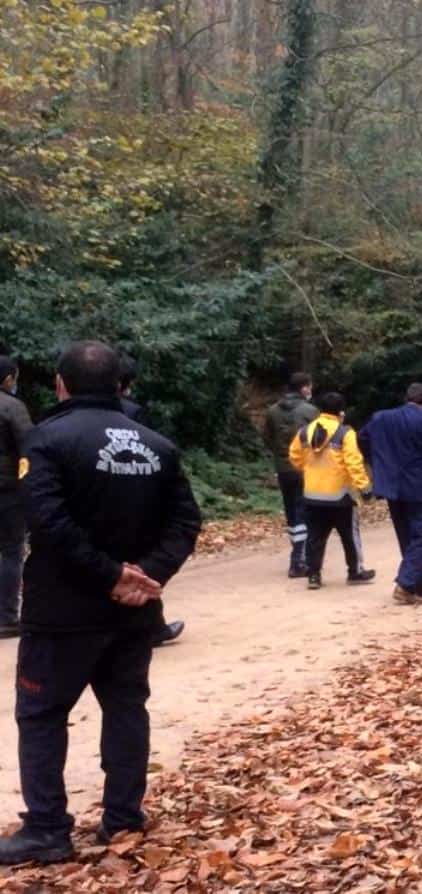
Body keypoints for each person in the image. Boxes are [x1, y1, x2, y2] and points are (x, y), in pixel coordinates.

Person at [0, 341, 201, 865]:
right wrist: (146, 576)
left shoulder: (47, 440)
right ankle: (123, 819)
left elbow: (45, 520)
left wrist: (113, 575)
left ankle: (47, 828)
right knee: (126, 708)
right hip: (134, 612)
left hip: (62, 613)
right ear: (119, 385)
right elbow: (186, 522)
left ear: (60, 384)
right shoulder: (158, 445)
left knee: (42, 714)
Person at [360, 383, 422, 605]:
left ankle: (420, 586)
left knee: (406, 535)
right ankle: (405, 584)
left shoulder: (381, 418)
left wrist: (380, 460)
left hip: (393, 486)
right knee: (421, 536)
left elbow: (362, 439)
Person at [118, 357, 185, 648]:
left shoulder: (61, 420)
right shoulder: (133, 413)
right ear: (126, 384)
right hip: (131, 494)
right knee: (139, 561)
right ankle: (152, 627)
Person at [288, 392, 375, 591]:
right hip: (340, 495)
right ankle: (355, 572)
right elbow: (353, 463)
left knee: (315, 537)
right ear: (341, 412)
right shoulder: (345, 433)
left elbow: (294, 457)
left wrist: (308, 470)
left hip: (312, 494)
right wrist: (364, 488)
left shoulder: (304, 432)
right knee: (349, 535)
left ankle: (314, 576)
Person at [263, 373, 319, 578]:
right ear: (304, 388)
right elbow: (319, 439)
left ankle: (298, 555)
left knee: (292, 514)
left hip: (283, 468)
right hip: (305, 468)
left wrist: (281, 455)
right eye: (310, 386)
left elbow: (267, 438)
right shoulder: (311, 411)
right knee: (304, 512)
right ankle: (299, 560)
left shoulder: (272, 411)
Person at [0, 356, 31, 639]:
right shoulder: (12, 407)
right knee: (10, 551)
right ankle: (7, 617)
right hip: (7, 491)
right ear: (8, 378)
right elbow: (29, 449)